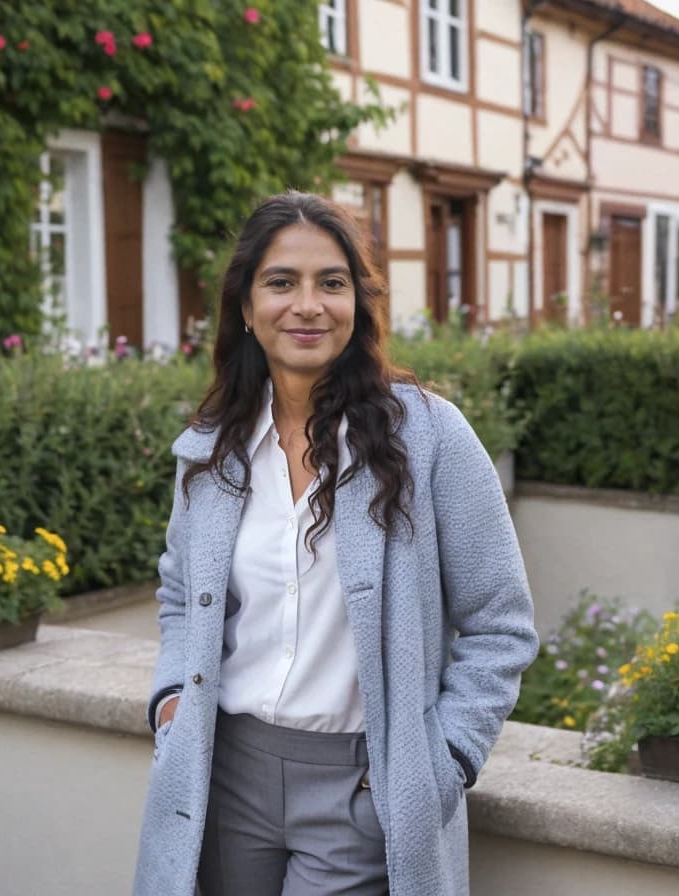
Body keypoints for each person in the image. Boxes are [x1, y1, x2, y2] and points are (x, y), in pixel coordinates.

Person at [133, 191, 538, 896]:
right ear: (247, 308)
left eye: (332, 283)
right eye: (282, 282)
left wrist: (442, 761)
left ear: (359, 302)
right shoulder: (209, 449)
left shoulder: (431, 437)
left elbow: (501, 623)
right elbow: (178, 593)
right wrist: (171, 698)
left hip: (360, 788)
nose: (308, 305)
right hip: (222, 777)